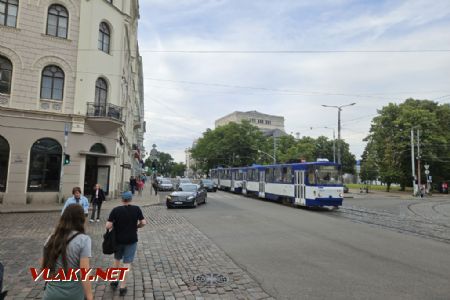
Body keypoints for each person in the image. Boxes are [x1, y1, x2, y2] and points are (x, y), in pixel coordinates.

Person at [42, 205, 93, 300]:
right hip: (74, 294)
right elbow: (84, 273)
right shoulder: (84, 240)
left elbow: (44, 267)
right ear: (82, 219)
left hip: (51, 293)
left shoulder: (52, 238)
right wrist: (90, 297)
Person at [106, 191, 146, 296]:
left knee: (116, 260)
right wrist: (137, 227)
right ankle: (123, 287)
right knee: (127, 263)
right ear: (131, 199)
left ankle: (114, 281)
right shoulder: (137, 209)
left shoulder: (115, 210)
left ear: (122, 200)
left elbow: (108, 226)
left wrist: (114, 224)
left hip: (118, 240)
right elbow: (143, 222)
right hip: (131, 240)